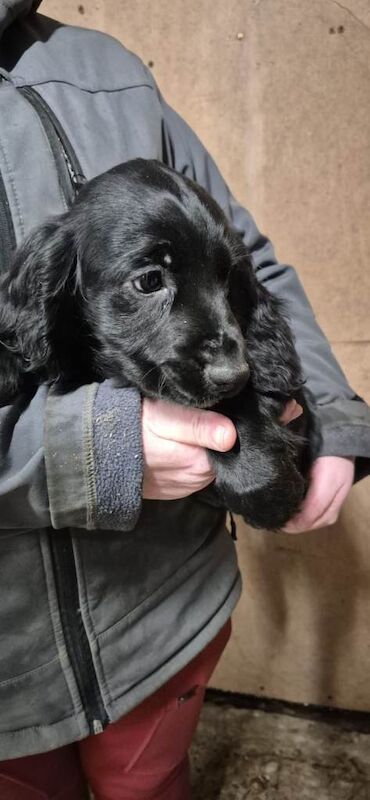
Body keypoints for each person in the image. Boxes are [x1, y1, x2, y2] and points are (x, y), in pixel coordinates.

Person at [0, 3, 369, 799]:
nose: (227, 364)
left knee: (153, 780)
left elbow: (242, 259)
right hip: (7, 658)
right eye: (148, 282)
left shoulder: (107, 68)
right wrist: (87, 448)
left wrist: (332, 413)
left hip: (169, 613)